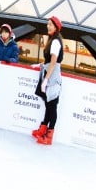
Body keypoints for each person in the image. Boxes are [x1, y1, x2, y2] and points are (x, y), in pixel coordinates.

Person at [32, 16, 64, 146]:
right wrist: (41, 64)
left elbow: (54, 61)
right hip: (49, 73)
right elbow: (48, 61)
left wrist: (46, 79)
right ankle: (43, 129)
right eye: (47, 24)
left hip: (53, 76)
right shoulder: (52, 40)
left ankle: (49, 136)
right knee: (48, 104)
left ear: (56, 27)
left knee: (52, 106)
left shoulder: (56, 41)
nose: (48, 26)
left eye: (50, 24)